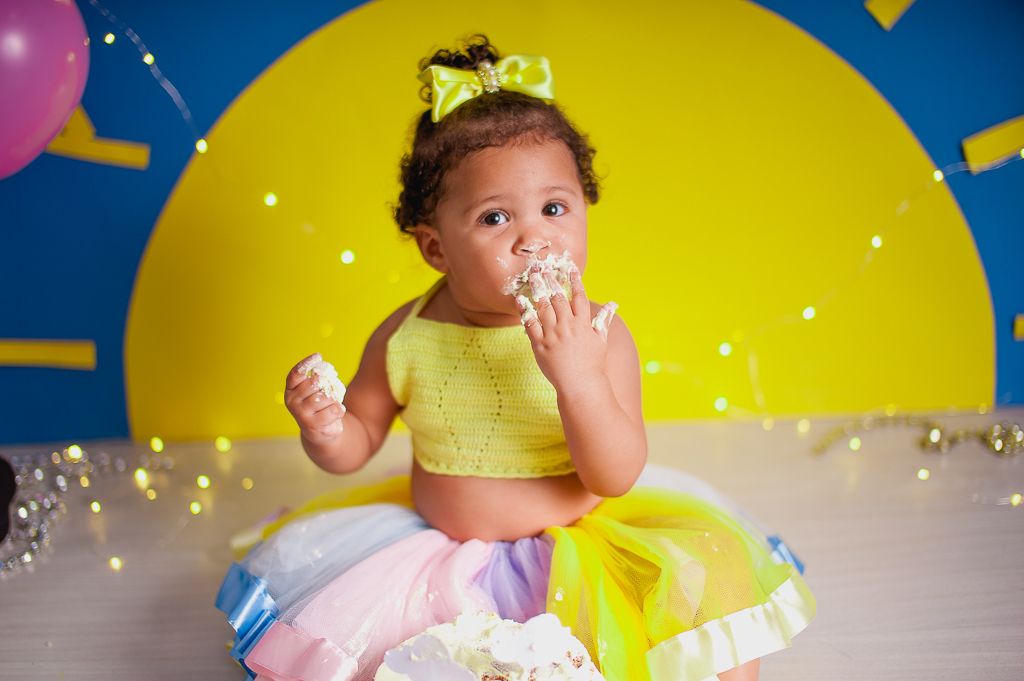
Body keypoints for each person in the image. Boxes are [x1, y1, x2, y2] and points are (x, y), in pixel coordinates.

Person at [215, 36, 814, 681]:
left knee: (700, 611)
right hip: (436, 560)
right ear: (435, 248)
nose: (534, 237)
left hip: (576, 552)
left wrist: (577, 376)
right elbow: (356, 443)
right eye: (496, 218)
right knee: (389, 657)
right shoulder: (406, 335)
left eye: (555, 208)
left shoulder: (598, 333)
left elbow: (614, 475)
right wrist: (326, 427)